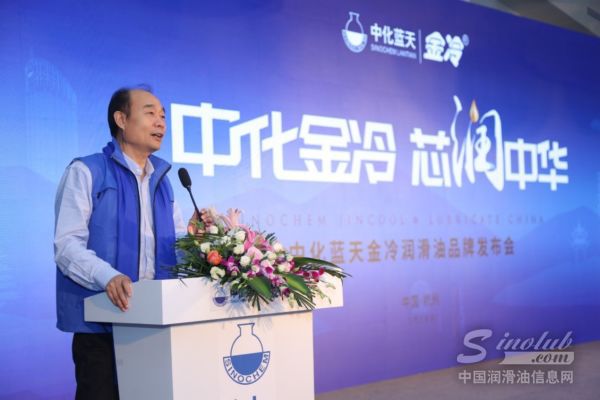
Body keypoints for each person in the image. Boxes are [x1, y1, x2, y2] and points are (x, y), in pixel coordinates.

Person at [54, 86, 187, 399]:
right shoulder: (86, 171)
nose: (161, 122)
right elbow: (66, 245)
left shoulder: (163, 182)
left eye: (163, 116)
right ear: (121, 119)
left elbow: (176, 244)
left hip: (155, 323)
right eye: (150, 113)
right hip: (101, 324)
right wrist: (108, 277)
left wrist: (201, 243)